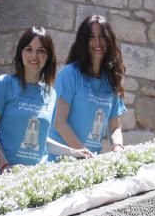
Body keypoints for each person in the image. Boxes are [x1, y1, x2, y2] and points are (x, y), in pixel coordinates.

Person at [0, 27, 83, 171]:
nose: (34, 55)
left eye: (41, 50)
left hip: (35, 177)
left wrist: (74, 152)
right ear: (20, 53)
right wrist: (5, 166)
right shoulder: (3, 85)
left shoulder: (51, 94)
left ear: (49, 56)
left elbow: (42, 140)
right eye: (29, 49)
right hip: (2, 176)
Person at [48, 15, 126, 158]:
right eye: (91, 37)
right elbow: (60, 122)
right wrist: (84, 154)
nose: (97, 42)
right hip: (61, 161)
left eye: (102, 36)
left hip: (90, 162)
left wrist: (118, 147)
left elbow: (115, 127)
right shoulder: (69, 74)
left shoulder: (112, 80)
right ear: (83, 41)